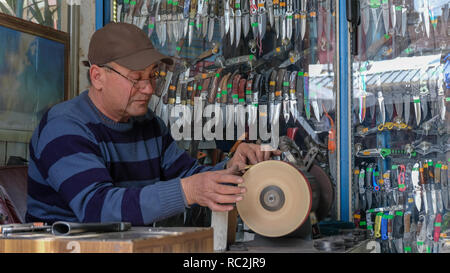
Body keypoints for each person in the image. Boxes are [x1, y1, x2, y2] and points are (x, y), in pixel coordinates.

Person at [26, 22, 279, 225]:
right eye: (136, 78)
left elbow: (189, 176)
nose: (148, 89)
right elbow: (98, 208)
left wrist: (232, 168)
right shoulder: (64, 127)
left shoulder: (148, 124)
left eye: (152, 76)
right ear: (97, 76)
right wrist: (188, 191)